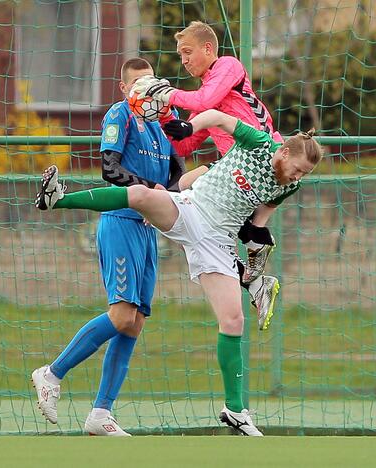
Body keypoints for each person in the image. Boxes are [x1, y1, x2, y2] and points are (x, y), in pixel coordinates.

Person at [34, 108, 323, 436]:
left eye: (303, 175)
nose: (297, 177)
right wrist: (189, 126)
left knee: (233, 321)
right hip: (190, 209)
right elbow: (218, 116)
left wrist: (255, 263)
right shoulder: (259, 144)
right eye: (297, 169)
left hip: (217, 242)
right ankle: (57, 199)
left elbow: (258, 222)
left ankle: (235, 410)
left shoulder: (287, 187)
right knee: (142, 195)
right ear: (284, 152)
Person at [30, 58, 185, 436]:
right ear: (123, 88)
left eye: (149, 84)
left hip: (148, 229)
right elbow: (109, 169)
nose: (143, 91)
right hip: (120, 223)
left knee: (134, 323)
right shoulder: (121, 114)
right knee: (120, 314)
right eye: (136, 85)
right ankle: (51, 373)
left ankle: (101, 413)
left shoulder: (164, 120)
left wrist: (168, 194)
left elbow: (177, 175)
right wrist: (149, 192)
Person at [131, 21, 282, 311]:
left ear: (208, 48)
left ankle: (258, 240)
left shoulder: (228, 65)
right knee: (189, 217)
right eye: (180, 55)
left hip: (259, 161)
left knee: (181, 198)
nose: (184, 60)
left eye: (187, 52)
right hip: (235, 171)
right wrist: (163, 115)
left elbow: (206, 100)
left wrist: (166, 93)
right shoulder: (204, 101)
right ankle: (253, 273)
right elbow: (184, 146)